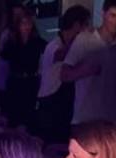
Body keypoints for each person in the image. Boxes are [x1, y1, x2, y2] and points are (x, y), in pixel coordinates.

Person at [61, 0, 116, 126]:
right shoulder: (84, 40)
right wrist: (84, 71)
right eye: (113, 15)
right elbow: (64, 75)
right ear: (103, 14)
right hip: (85, 119)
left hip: (113, 119)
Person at [36, 5, 92, 144]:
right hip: (51, 104)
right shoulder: (54, 46)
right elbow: (63, 55)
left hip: (62, 102)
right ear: (77, 25)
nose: (87, 29)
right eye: (86, 24)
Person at [1, 11, 48, 130]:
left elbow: (50, 50)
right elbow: (4, 55)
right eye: (24, 23)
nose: (27, 27)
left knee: (29, 116)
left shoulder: (37, 42)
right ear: (18, 25)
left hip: (31, 81)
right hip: (15, 81)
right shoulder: (12, 41)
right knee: (14, 116)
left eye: (29, 23)